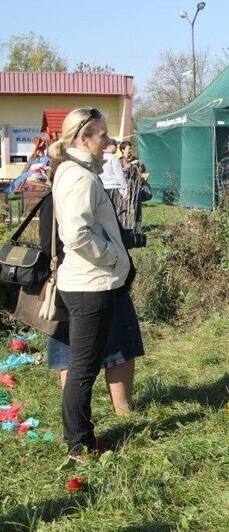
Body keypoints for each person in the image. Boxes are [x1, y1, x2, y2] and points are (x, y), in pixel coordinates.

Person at [48, 107, 130, 459]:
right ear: (84, 139)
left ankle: (82, 437)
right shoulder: (79, 177)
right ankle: (78, 446)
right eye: (102, 136)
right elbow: (77, 236)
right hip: (89, 285)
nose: (108, 142)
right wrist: (113, 256)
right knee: (82, 370)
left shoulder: (75, 171)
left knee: (84, 366)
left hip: (86, 282)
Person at [39, 188, 143, 416]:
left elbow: (48, 244)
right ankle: (122, 411)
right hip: (101, 281)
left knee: (69, 353)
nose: (105, 153)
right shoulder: (85, 191)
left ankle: (75, 416)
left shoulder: (53, 197)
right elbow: (87, 238)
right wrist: (114, 254)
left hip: (67, 286)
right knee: (119, 349)